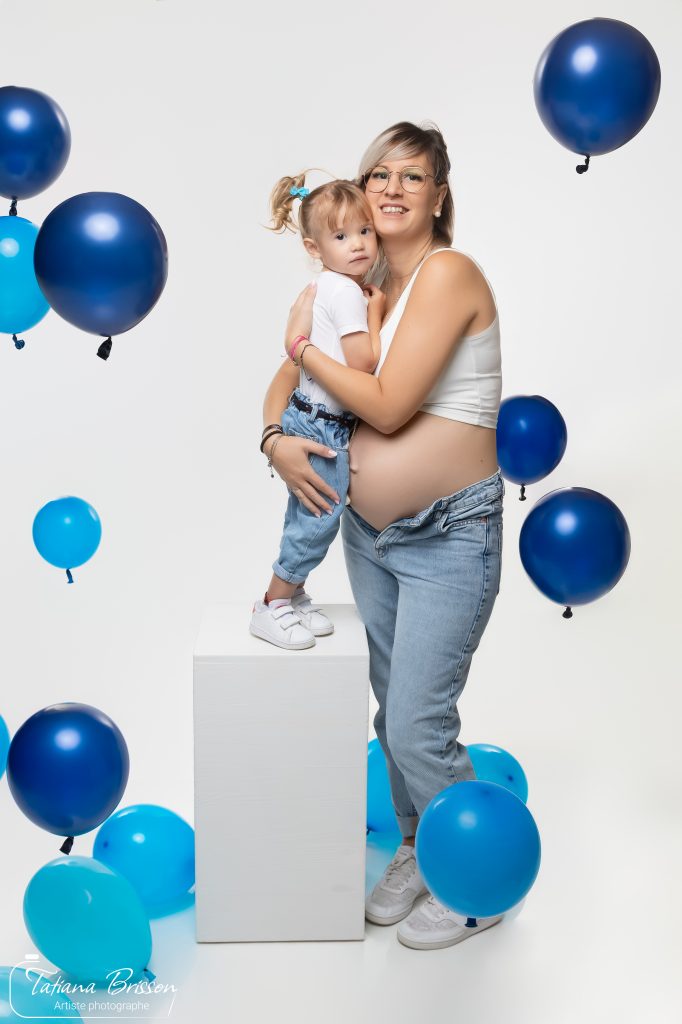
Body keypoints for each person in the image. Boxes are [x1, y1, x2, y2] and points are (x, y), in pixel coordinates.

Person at [260, 121, 504, 950]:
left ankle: (479, 882)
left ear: (439, 194)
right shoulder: (356, 281)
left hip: (449, 536)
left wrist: (302, 348)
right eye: (379, 176)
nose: (393, 188)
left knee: (417, 725)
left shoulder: (447, 274)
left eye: (413, 175)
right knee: (388, 717)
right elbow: (279, 390)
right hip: (372, 538)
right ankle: (417, 845)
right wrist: (276, 438)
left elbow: (389, 404)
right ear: (359, 196)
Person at [251, 176, 386, 650]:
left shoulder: (324, 286)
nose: (358, 245)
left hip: (309, 416)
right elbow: (364, 365)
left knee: (308, 514)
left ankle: (295, 594)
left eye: (365, 232)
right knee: (319, 516)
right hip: (321, 424)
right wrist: (376, 313)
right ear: (314, 246)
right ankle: (273, 603)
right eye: (342, 236)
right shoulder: (349, 292)